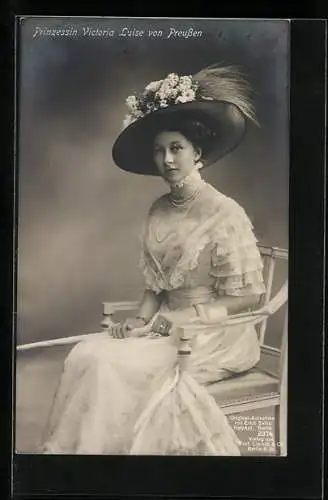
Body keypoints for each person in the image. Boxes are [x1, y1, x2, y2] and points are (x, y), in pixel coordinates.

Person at [41, 65, 266, 456]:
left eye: (176, 148)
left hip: (217, 336)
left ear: (198, 152)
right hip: (165, 330)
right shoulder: (158, 209)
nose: (167, 159)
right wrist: (140, 318)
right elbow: (155, 288)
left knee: (117, 368)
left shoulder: (225, 213)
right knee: (88, 354)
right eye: (160, 150)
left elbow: (247, 298)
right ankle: (85, 462)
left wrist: (189, 317)